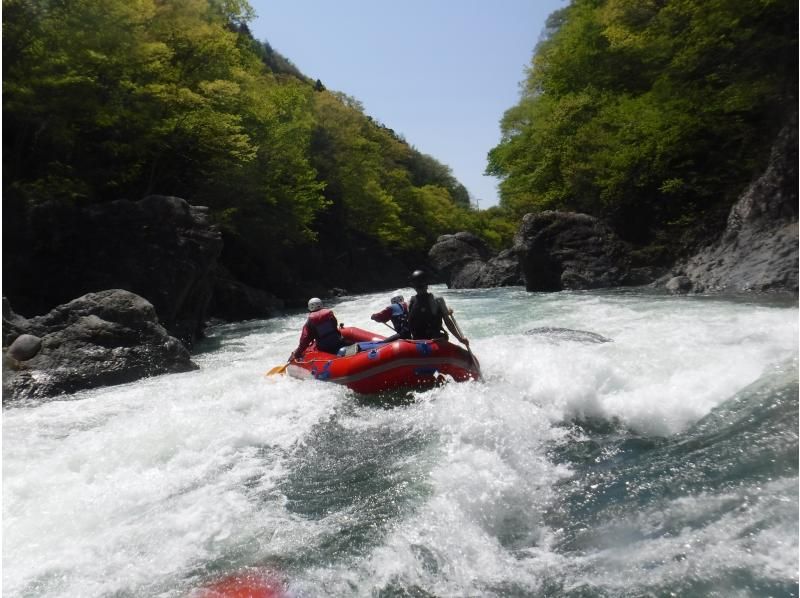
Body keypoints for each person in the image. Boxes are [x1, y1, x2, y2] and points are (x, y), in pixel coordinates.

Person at [407, 270, 469, 346]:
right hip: (435, 342)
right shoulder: (438, 300)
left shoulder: (410, 302)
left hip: (416, 342)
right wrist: (460, 339)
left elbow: (412, 321)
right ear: (427, 285)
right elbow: (448, 322)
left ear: (414, 287)